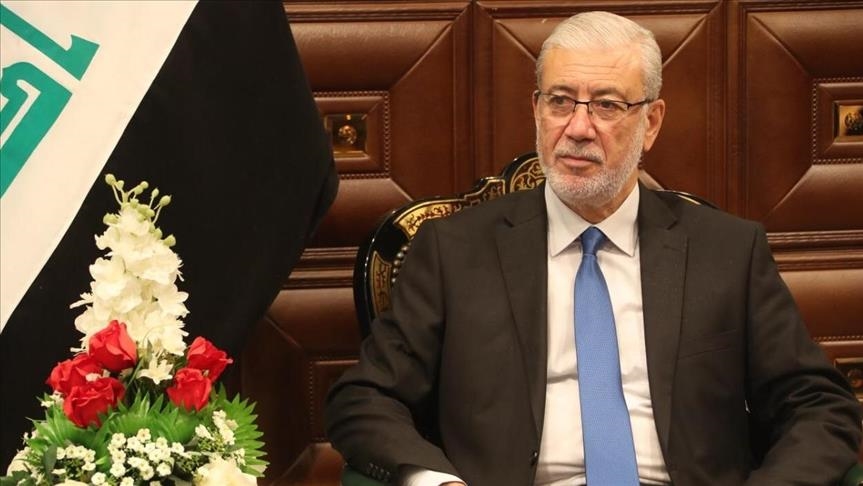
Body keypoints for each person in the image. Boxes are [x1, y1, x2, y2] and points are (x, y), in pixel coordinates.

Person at [325, 11, 862, 486]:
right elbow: (365, 399)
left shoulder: (726, 251)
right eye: (560, 101)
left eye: (607, 105)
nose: (578, 128)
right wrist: (435, 482)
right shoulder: (454, 251)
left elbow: (820, 407)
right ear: (537, 110)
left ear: (651, 122)